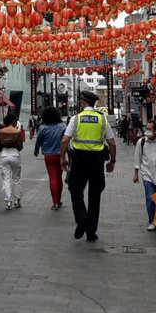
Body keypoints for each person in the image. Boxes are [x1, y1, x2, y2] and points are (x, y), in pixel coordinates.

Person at [60, 89, 116, 242]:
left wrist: (62, 158)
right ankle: (91, 233)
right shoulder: (102, 119)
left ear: (83, 102)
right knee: (94, 196)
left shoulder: (76, 119)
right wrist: (112, 161)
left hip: (78, 160)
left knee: (75, 189)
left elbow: (65, 140)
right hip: (97, 162)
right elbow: (111, 143)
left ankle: (81, 217)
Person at [133, 120, 156, 230]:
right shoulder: (141, 142)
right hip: (147, 174)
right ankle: (152, 221)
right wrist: (136, 174)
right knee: (150, 198)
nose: (147, 131)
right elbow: (137, 158)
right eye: (146, 128)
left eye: (150, 129)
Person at [34, 105, 66, 209]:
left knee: (52, 178)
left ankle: (55, 202)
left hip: (48, 156)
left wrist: (36, 150)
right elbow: (66, 141)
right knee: (59, 178)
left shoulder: (43, 128)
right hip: (60, 155)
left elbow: (38, 141)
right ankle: (59, 200)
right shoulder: (62, 126)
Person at [0, 111, 24, 209]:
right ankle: (17, 200)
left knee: (6, 179)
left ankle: (8, 201)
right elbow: (20, 146)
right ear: (13, 122)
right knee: (16, 178)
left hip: (4, 154)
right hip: (15, 154)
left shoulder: (0, 132)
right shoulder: (17, 132)